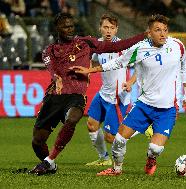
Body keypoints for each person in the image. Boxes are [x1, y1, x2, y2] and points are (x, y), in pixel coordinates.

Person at [70, 14, 186, 176]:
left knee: (155, 148)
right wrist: (90, 70)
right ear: (149, 32)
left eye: (165, 30)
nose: (162, 34)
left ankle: (151, 158)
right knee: (119, 140)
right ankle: (116, 169)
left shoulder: (177, 45)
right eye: (157, 30)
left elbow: (184, 65)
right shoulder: (139, 48)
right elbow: (117, 63)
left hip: (166, 109)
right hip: (144, 105)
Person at [28, 12, 147, 176]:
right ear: (57, 28)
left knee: (90, 127)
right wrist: (57, 77)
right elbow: (52, 68)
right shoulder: (49, 50)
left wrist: (144, 35)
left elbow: (120, 49)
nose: (70, 29)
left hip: (96, 95)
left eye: (72, 26)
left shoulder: (86, 43)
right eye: (66, 26)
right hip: (58, 96)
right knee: (38, 140)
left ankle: (50, 160)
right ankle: (53, 164)